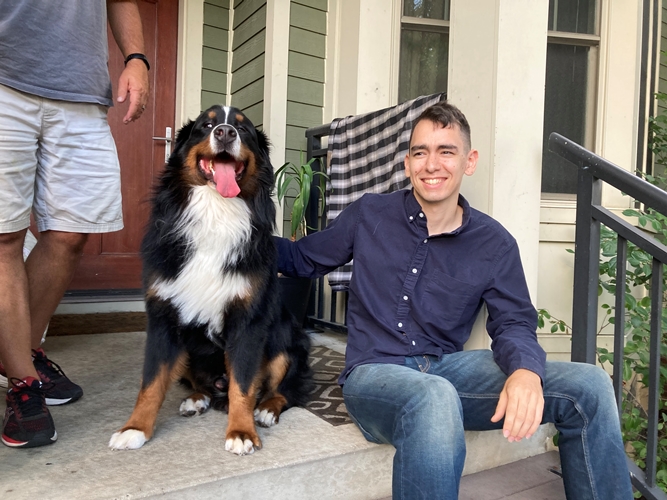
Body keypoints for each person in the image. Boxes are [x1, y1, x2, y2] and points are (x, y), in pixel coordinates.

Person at [275, 102, 633, 499]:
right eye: (420, 152)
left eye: (446, 151)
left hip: (446, 368)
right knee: (434, 396)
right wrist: (236, 233)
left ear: (469, 161)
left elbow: (514, 321)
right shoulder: (369, 214)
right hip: (375, 373)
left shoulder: (494, 243)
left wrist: (525, 371)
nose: (432, 164)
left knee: (589, 385)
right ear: (407, 163)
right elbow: (302, 258)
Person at [0, 0, 150, 448]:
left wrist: (137, 58)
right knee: (5, 237)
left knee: (70, 233)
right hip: (5, 80)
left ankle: (18, 354)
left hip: (81, 91)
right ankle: (23, 382)